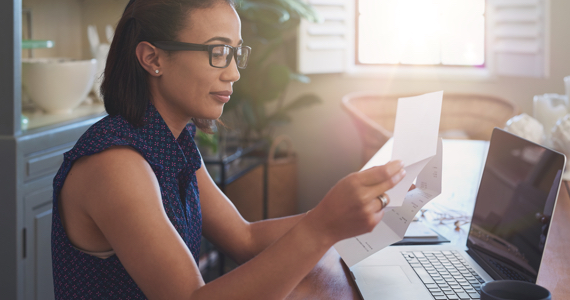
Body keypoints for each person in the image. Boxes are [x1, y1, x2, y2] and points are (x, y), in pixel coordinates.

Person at [51, 0, 407, 299]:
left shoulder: (172, 142)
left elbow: (244, 237)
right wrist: (323, 227)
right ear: (152, 58)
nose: (234, 73)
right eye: (219, 52)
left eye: (235, 53)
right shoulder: (115, 164)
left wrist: (343, 214)